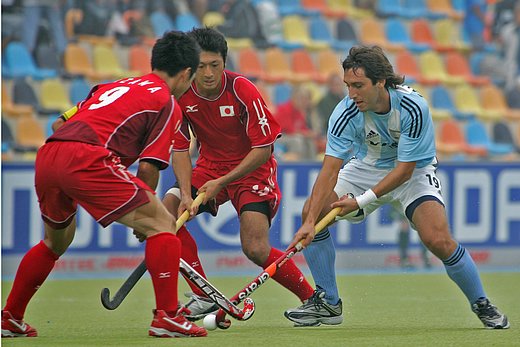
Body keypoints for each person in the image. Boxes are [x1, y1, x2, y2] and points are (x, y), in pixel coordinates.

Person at [283, 46, 510, 330]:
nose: (351, 94)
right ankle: (329, 302)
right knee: (312, 210)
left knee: (437, 239)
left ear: (381, 82)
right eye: (347, 86)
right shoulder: (344, 113)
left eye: (358, 86)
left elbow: (404, 170)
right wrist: (309, 221)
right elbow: (329, 169)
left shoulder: (413, 107)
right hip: (367, 167)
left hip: (414, 172)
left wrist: (361, 201)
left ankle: (481, 303)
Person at [1, 31, 208, 338]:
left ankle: (10, 318)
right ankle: (167, 317)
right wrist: (147, 216)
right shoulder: (166, 101)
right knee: (163, 224)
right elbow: (149, 165)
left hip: (50, 154)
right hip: (86, 156)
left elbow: (60, 123)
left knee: (55, 243)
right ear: (187, 72)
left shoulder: (116, 84)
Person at [159, 27, 315, 321]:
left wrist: (223, 182)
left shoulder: (242, 89)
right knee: (166, 216)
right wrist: (184, 191)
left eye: (214, 65)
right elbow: (180, 149)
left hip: (251, 170)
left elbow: (264, 149)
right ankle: (202, 295)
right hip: (208, 167)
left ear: (225, 63)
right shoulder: (181, 95)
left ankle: (312, 299)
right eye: (201, 66)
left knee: (255, 248)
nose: (207, 73)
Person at [274, 85, 319, 161]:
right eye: (302, 99)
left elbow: (302, 128)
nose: (304, 102)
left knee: (309, 141)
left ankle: (311, 163)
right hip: (277, 136)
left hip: (289, 135)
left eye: (306, 100)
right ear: (294, 98)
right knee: (297, 140)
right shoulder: (285, 109)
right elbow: (289, 130)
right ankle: (296, 163)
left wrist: (310, 134)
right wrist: (307, 133)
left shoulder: (299, 111)